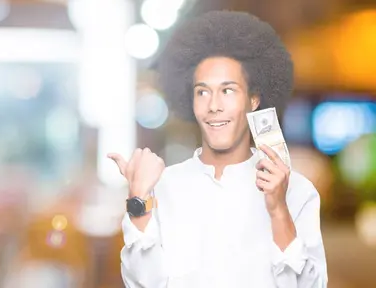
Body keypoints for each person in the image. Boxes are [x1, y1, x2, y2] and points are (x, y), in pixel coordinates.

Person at [108, 10, 327, 288]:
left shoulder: (298, 191)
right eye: (202, 92)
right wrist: (138, 199)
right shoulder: (163, 189)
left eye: (228, 90)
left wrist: (279, 211)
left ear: (253, 101)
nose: (213, 105)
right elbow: (143, 284)